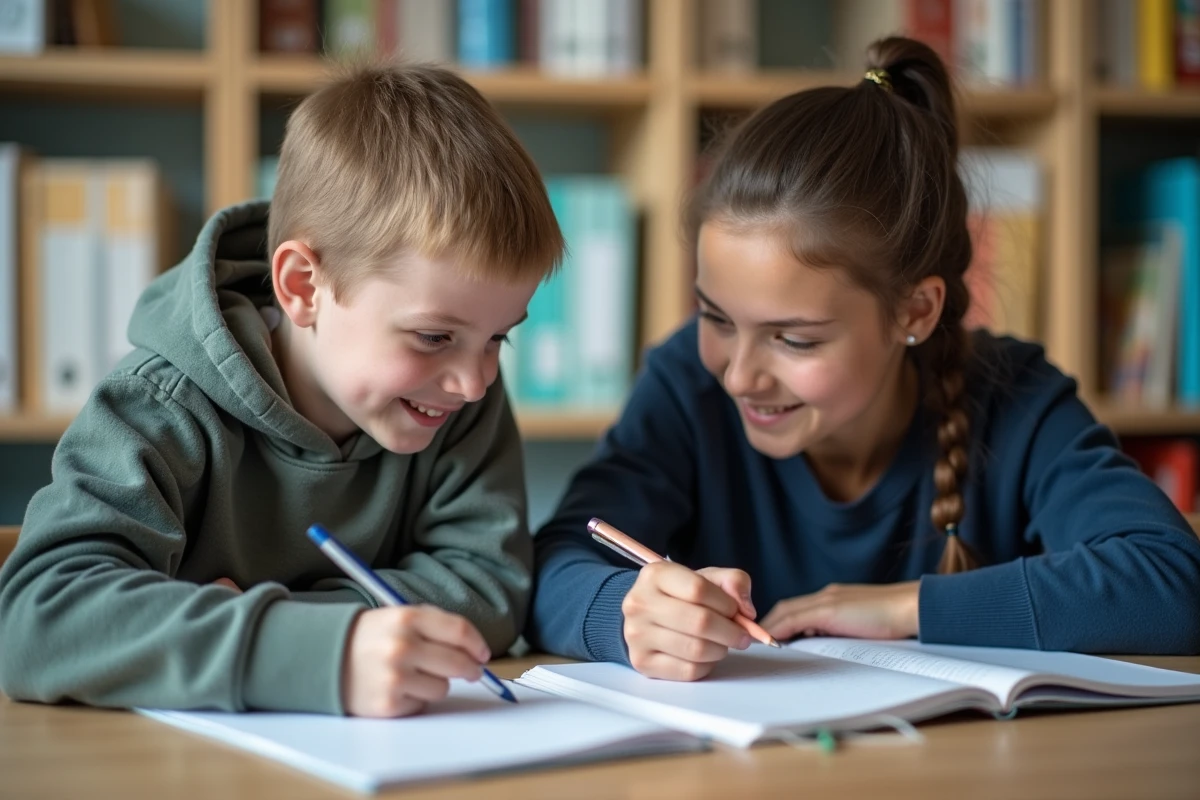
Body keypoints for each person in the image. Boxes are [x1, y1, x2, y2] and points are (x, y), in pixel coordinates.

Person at [527, 37, 1200, 681]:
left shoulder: (1014, 396)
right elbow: (559, 562)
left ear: (914, 312)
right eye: (717, 317)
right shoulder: (687, 384)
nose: (738, 375)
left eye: (794, 338)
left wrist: (905, 607)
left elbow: (1172, 583)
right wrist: (627, 617)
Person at [0, 63, 563, 716]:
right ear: (302, 287)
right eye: (434, 337)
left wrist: (311, 624)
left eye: (500, 338)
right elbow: (37, 619)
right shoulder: (160, 408)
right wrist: (313, 649)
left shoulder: (459, 400)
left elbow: (487, 591)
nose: (474, 381)